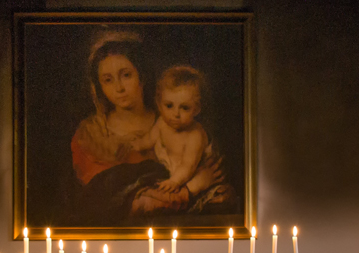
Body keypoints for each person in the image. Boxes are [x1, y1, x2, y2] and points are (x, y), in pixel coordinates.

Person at [68, 30, 234, 223]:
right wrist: (190, 190)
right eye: (108, 80)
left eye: (126, 75)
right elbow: (100, 205)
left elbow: (212, 180)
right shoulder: (91, 135)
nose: (119, 88)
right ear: (99, 86)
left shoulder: (177, 123)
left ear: (142, 76)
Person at [129, 65, 210, 197]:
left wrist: (174, 182)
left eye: (184, 108)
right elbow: (150, 139)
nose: (175, 114)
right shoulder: (162, 123)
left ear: (196, 109)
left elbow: (188, 166)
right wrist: (137, 145)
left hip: (190, 179)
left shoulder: (195, 135)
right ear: (159, 104)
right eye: (169, 106)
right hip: (169, 175)